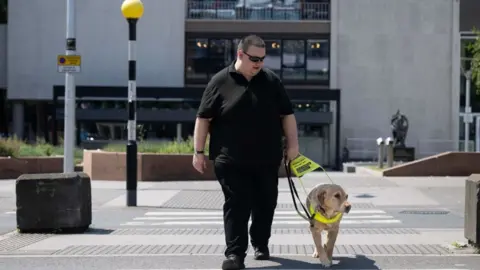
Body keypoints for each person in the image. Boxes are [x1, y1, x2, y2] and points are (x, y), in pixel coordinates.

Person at [192, 35, 299, 270]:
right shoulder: (220, 81)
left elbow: (287, 115)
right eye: (254, 59)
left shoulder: (271, 81)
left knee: (265, 203)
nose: (259, 63)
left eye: (262, 59)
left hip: (266, 158)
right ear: (240, 54)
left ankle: (260, 242)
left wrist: (293, 146)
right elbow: (203, 118)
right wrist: (198, 151)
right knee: (237, 203)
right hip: (230, 159)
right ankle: (234, 255)